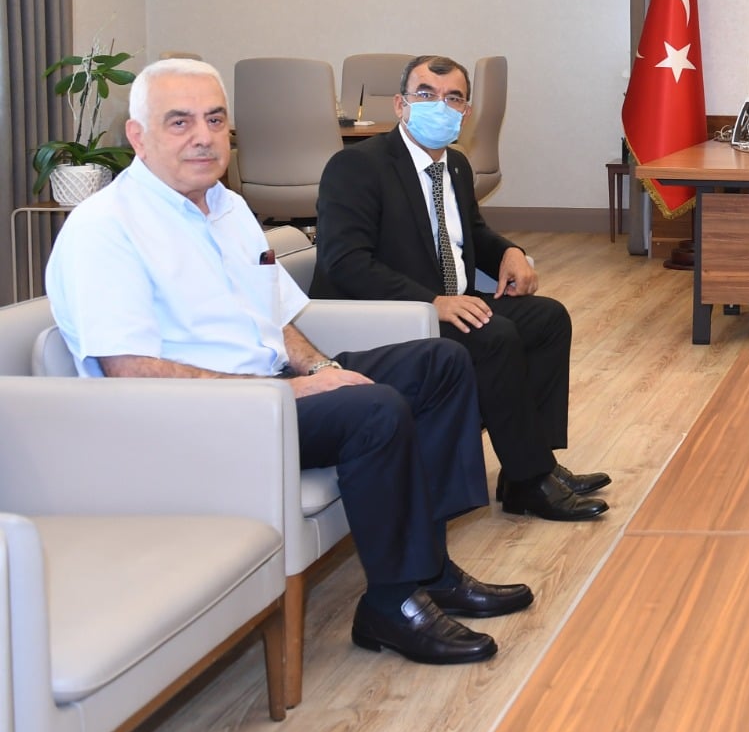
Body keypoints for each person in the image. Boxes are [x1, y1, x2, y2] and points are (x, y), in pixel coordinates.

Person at [45, 58, 530, 666]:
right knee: (375, 410)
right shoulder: (105, 228)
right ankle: (391, 604)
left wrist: (320, 370)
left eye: (215, 120)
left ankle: (431, 569)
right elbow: (130, 372)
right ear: (137, 136)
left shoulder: (226, 208)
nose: (203, 137)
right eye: (179, 122)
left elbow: (276, 320)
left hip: (267, 389)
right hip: (198, 418)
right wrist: (276, 394)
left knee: (441, 361)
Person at [313, 54, 611, 523]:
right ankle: (532, 478)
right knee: (494, 335)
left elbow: (470, 233)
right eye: (426, 94)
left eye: (453, 98)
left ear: (465, 112)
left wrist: (509, 252)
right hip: (390, 314)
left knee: (548, 318)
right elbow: (345, 262)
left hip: (450, 303)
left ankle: (529, 468)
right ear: (401, 105)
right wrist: (431, 302)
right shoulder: (356, 167)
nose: (440, 106)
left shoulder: (455, 165)